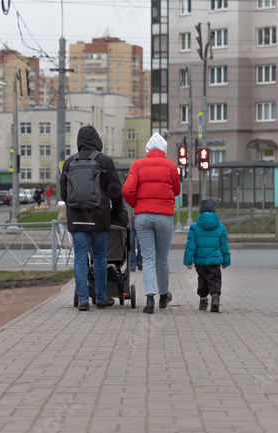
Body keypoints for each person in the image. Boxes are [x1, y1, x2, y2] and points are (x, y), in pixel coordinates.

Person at [60, 125, 123, 311]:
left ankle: (83, 300)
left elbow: (63, 192)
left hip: (77, 217)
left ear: (79, 141)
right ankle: (102, 299)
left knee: (80, 257)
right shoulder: (105, 161)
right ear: (97, 141)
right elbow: (115, 191)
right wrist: (116, 212)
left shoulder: (69, 162)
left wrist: (74, 206)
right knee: (100, 257)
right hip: (99, 217)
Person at [122, 132, 180, 314]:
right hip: (164, 216)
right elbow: (176, 190)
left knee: (147, 258)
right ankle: (164, 295)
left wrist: (136, 204)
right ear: (164, 149)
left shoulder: (137, 164)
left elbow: (127, 190)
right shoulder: (171, 166)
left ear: (148, 149)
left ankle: (149, 300)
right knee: (161, 259)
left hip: (143, 216)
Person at [183, 198, 231, 313]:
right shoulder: (220, 227)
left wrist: (188, 261)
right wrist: (226, 261)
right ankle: (215, 298)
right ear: (214, 211)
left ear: (200, 211)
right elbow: (224, 245)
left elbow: (191, 245)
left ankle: (203, 300)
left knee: (202, 280)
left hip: (200, 262)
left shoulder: (194, 227)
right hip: (215, 261)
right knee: (215, 279)